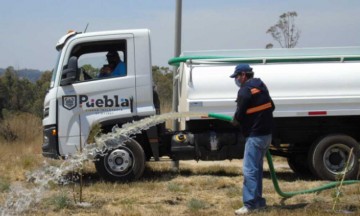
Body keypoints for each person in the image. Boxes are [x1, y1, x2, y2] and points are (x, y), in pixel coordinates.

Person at [230, 64, 275, 215]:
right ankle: (258, 203)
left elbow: (239, 114)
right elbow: (272, 106)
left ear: (243, 75)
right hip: (266, 135)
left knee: (249, 171)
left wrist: (235, 120)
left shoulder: (245, 90)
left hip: (254, 136)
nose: (236, 79)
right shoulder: (261, 86)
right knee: (256, 170)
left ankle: (249, 205)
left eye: (236, 76)